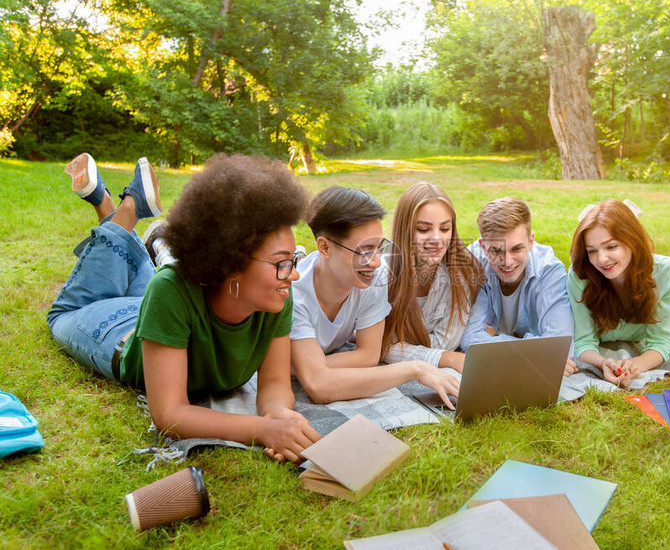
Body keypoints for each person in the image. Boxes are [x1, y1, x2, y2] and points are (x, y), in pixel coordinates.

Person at [47, 153, 321, 463]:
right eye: (282, 263)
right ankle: (127, 209)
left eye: (294, 261)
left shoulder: (276, 297)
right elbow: (170, 413)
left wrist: (279, 418)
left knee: (139, 275)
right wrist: (261, 429)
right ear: (232, 262)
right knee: (63, 314)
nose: (294, 274)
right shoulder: (170, 291)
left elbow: (274, 385)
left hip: (156, 313)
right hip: (115, 329)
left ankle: (107, 206)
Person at [289, 186, 460, 407]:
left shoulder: (372, 279)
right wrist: (415, 369)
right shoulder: (295, 297)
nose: (377, 262)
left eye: (380, 248)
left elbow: (369, 356)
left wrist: (310, 366)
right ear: (324, 247)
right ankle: (297, 256)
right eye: (365, 251)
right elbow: (320, 387)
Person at [567, 199, 670, 388]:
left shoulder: (668, 273)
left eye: (611, 246)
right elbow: (583, 341)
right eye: (592, 251)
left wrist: (635, 365)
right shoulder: (580, 276)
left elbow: (663, 341)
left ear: (632, 241)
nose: (602, 259)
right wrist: (603, 362)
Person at [461, 197, 578, 376]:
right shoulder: (473, 265)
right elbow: (469, 339)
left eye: (516, 249)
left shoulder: (549, 270)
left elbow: (561, 346)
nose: (507, 262)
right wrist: (536, 351)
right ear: (483, 247)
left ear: (531, 242)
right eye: (496, 250)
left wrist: (494, 337)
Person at [382, 182, 484, 373]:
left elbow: (445, 343)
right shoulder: (383, 274)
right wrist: (449, 359)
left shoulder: (461, 274)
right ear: (405, 230)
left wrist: (401, 348)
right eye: (423, 229)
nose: (436, 239)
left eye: (445, 229)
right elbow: (381, 346)